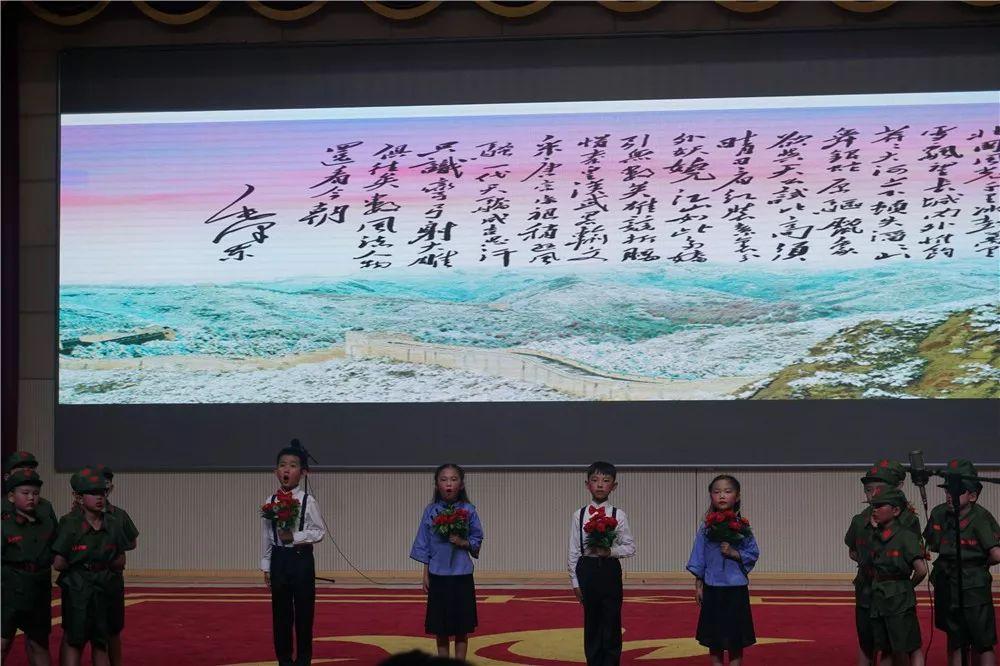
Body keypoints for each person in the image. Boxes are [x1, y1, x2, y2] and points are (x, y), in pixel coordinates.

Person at [845, 459, 923, 666]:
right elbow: (852, 550)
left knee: (897, 645)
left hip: (893, 592)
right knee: (867, 642)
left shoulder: (907, 520)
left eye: (879, 488)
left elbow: (915, 558)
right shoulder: (860, 520)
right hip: (867, 588)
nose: (873, 494)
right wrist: (867, 563)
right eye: (868, 489)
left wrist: (902, 584)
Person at [923, 459, 1000, 666]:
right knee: (954, 637)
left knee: (982, 640)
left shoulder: (981, 517)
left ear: (973, 495)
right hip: (947, 582)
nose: (950, 495)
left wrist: (979, 565)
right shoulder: (939, 513)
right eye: (948, 489)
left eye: (957, 491)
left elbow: (996, 554)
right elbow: (930, 544)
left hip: (973, 585)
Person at [53, 469, 128, 666]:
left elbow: (121, 559)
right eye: (93, 493)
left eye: (102, 492)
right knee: (74, 639)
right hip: (78, 588)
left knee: (101, 640)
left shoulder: (113, 523)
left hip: (104, 587)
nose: (99, 497)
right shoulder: (69, 523)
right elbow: (59, 563)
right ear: (79, 497)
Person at [409, 463, 484, 662]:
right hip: (438, 576)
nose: (448, 484)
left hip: (462, 576)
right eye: (443, 479)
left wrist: (463, 542)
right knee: (440, 628)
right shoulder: (430, 511)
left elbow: (477, 538)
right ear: (437, 485)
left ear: (461, 485)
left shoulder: (468, 510)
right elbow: (424, 543)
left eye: (453, 479)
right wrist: (425, 573)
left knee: (462, 628)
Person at [261, 442, 327, 666]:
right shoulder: (270, 502)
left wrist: (295, 537)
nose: (286, 470)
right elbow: (267, 535)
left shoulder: (308, 501)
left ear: (303, 472)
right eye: (282, 465)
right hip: (279, 559)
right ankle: (284, 660)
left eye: (292, 465)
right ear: (276, 471)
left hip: (301, 560)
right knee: (281, 614)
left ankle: (303, 660)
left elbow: (319, 532)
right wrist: (266, 564)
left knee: (304, 613)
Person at [567, 461, 636, 666]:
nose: (599, 485)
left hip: (609, 570)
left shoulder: (618, 515)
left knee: (612, 620)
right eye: (595, 480)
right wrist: (575, 582)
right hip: (586, 569)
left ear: (614, 486)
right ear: (587, 484)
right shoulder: (579, 515)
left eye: (605, 481)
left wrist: (610, 551)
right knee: (592, 622)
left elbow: (630, 547)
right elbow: (573, 551)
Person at [686, 474, 759, 666]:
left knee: (736, 639)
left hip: (736, 589)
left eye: (728, 491)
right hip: (712, 587)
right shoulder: (706, 528)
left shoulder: (742, 526)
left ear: (737, 496)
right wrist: (698, 585)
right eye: (716, 492)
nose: (722, 496)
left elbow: (753, 553)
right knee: (714, 639)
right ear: (711, 495)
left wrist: (734, 553)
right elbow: (699, 556)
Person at [862, 487, 927, 666]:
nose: (875, 510)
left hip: (899, 599)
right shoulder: (876, 535)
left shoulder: (905, 536)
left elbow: (921, 570)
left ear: (896, 510)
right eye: (874, 506)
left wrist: (906, 586)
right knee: (885, 648)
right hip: (879, 596)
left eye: (880, 506)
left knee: (908, 647)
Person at [1, 467, 56, 666]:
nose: (31, 497)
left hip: (39, 589)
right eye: (25, 493)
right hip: (9, 590)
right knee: (2, 642)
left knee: (39, 644)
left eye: (35, 493)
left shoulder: (47, 523)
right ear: (11, 496)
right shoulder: (4, 524)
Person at [2, 451, 57, 525]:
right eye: (21, 470)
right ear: (7, 477)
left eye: (31, 468)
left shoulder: (45, 506)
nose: (27, 473)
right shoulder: (2, 506)